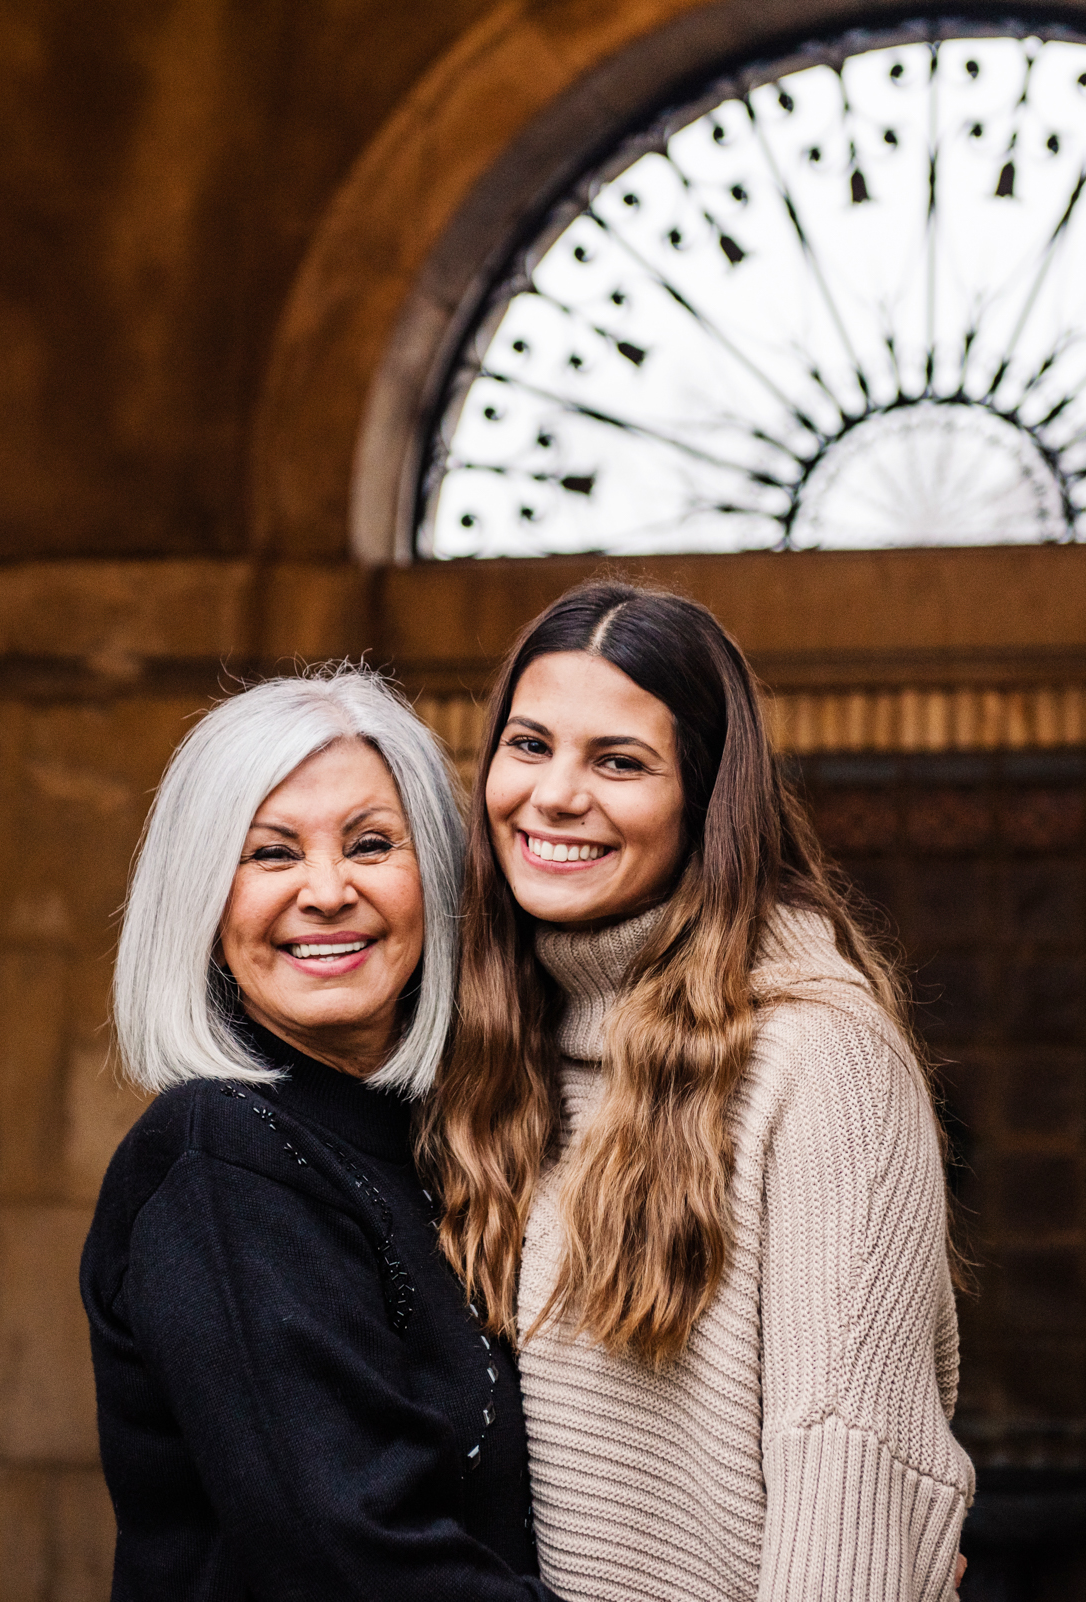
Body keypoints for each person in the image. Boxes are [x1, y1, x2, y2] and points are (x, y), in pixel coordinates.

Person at [421, 583, 973, 1601]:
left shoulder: (821, 1061)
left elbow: (848, 1469)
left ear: (705, 800)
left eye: (619, 761)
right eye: (530, 745)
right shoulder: (494, 1048)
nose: (554, 795)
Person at [80, 668, 556, 1601]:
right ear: (203, 900)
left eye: (373, 844)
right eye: (272, 854)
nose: (328, 891)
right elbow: (357, 1564)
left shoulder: (449, 1145)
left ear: (437, 882)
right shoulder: (222, 1158)